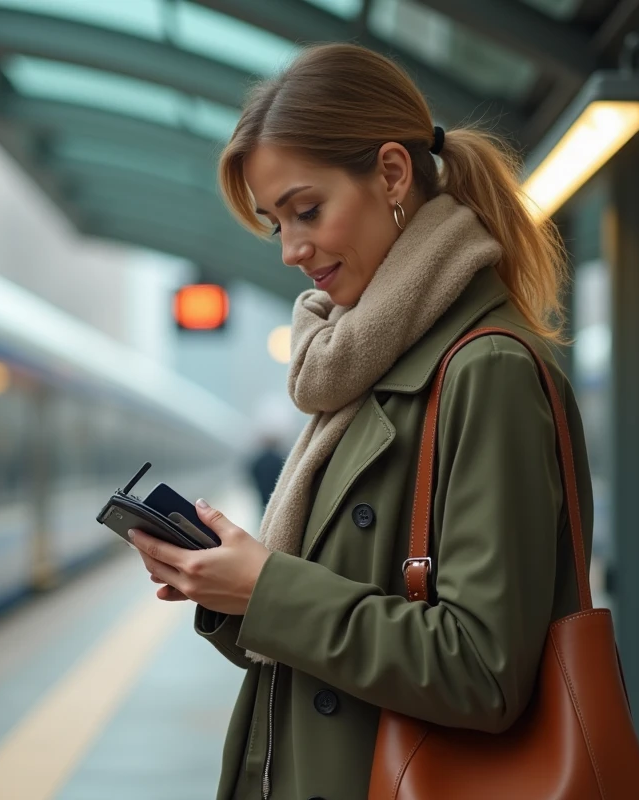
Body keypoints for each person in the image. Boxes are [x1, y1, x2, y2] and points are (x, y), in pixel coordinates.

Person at [128, 42, 592, 800]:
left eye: (307, 210)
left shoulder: (487, 372)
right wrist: (231, 587)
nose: (290, 250)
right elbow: (332, 635)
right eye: (276, 222)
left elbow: (483, 671)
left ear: (392, 173)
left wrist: (268, 589)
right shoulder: (356, 366)